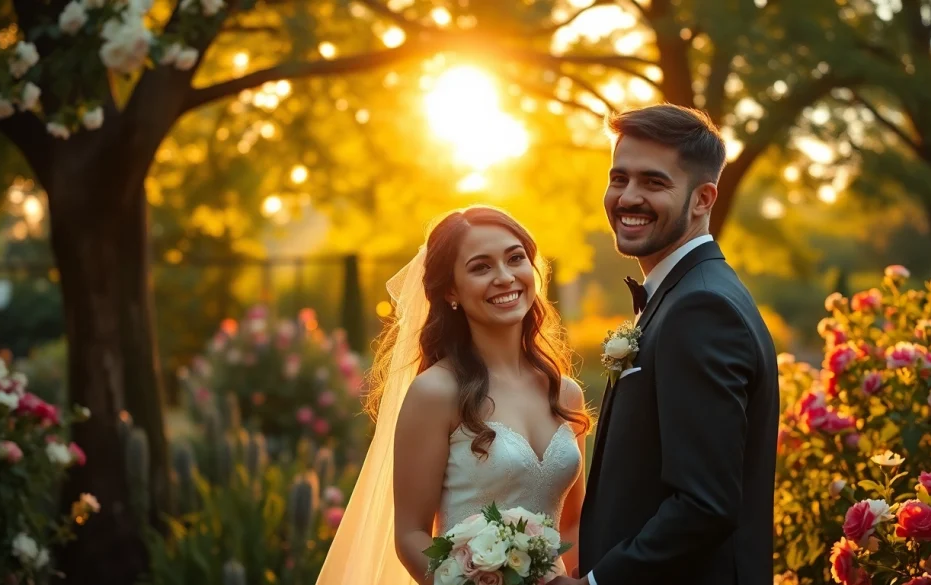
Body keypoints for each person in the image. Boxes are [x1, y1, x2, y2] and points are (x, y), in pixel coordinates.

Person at [551, 104, 780, 585]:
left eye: (654, 183)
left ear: (702, 199)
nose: (628, 197)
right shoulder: (688, 294)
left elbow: (705, 504)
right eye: (619, 178)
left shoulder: (701, 310)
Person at [315, 205, 592, 585]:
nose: (505, 277)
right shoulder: (435, 393)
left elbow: (573, 520)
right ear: (450, 291)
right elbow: (411, 535)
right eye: (481, 267)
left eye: (516, 259)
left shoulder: (566, 393)